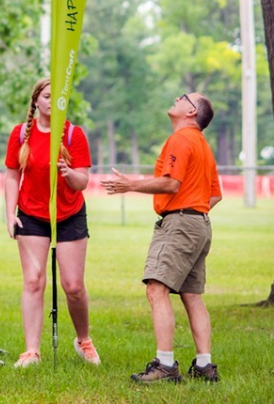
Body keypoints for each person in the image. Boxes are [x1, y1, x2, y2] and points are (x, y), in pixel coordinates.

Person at [101, 92, 222, 384]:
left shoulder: (181, 139)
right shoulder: (203, 145)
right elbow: (215, 194)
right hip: (200, 224)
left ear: (191, 111)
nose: (176, 99)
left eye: (183, 97)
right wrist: (195, 210)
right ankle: (205, 365)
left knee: (156, 289)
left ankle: (165, 366)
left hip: (180, 224)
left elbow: (170, 183)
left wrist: (130, 184)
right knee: (192, 296)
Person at [4, 77, 100, 368]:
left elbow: (83, 181)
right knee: (33, 281)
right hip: (31, 214)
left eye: (57, 96)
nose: (51, 100)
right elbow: (11, 176)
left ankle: (83, 340)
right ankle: (31, 351)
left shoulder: (73, 135)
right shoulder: (21, 134)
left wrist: (69, 173)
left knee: (73, 286)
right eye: (46, 96)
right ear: (36, 101)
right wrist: (10, 214)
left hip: (69, 213)